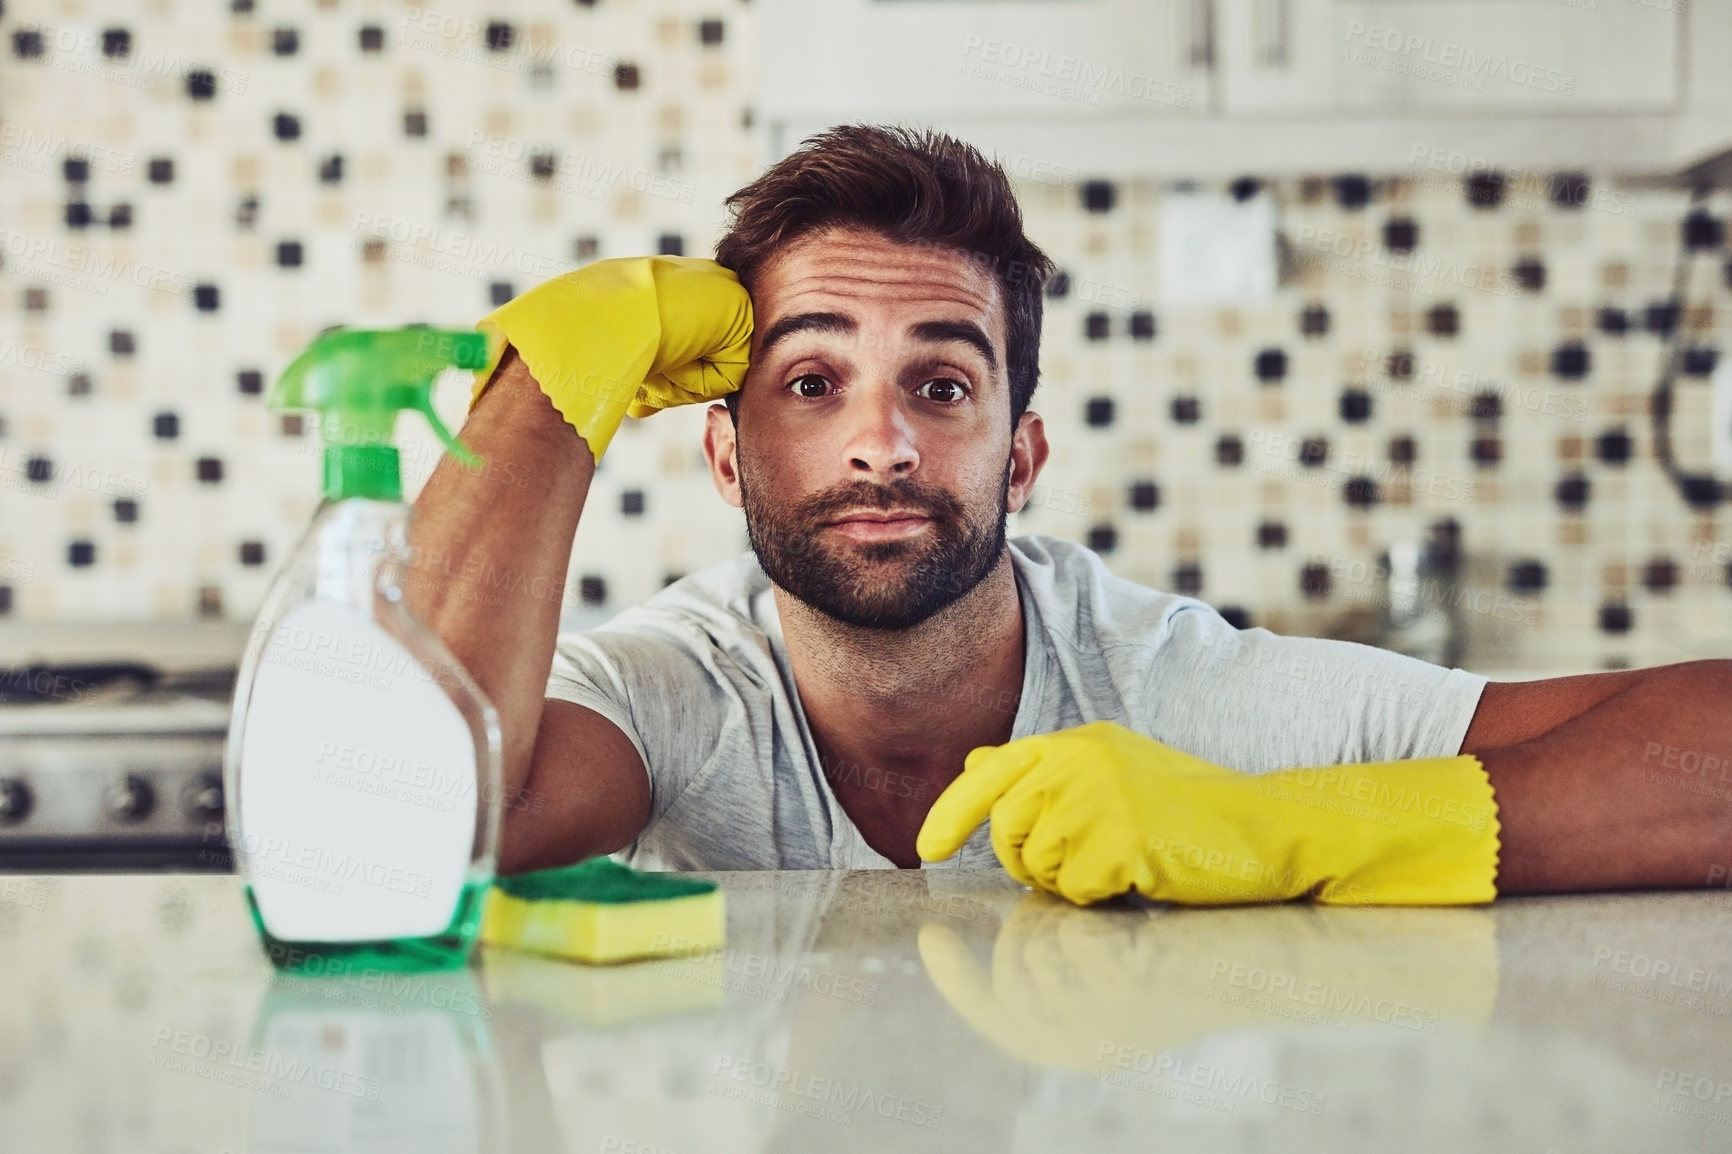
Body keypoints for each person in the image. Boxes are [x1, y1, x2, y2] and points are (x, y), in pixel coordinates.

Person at [406, 124, 1732, 903]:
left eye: (941, 383)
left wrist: (1302, 828)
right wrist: (539, 398)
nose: (882, 441)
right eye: (811, 384)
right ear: (725, 454)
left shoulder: (1169, 694)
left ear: (1021, 457)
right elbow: (405, 833)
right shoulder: (684, 691)